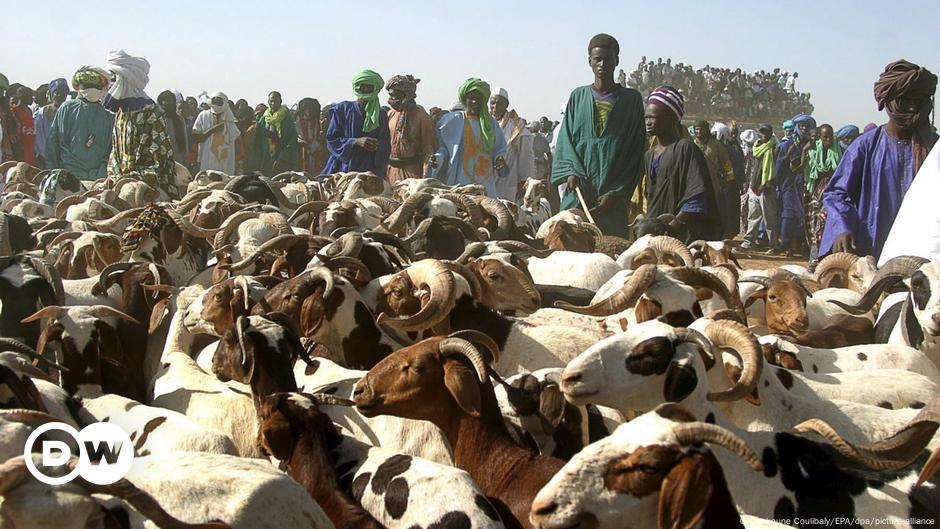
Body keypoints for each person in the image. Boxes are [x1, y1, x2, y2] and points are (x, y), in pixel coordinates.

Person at [820, 60, 938, 259]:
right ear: (890, 101)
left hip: (922, 250)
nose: (912, 108)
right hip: (871, 248)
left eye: (918, 101)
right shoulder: (865, 145)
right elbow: (837, 193)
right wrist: (842, 226)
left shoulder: (934, 147)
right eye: (906, 100)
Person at [550, 34, 645, 237]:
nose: (602, 64)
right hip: (579, 194)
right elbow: (565, 142)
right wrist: (571, 172)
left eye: (608, 59)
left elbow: (635, 152)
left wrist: (616, 193)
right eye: (597, 59)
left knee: (610, 256)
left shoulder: (632, 100)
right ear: (589, 61)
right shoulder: (577, 96)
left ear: (616, 61)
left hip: (613, 200)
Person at [642, 86, 720, 241]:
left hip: (680, 234)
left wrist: (672, 226)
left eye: (653, 117)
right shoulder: (649, 155)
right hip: (653, 232)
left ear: (672, 119)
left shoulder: (685, 148)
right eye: (646, 117)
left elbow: (696, 197)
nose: (648, 122)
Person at [104, 50, 179, 198]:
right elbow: (115, 154)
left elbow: (161, 157)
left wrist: (135, 178)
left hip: (149, 190)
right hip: (121, 186)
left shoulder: (151, 112)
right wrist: (113, 178)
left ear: (123, 80)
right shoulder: (121, 112)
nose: (109, 85)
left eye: (113, 79)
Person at [430, 78, 508, 196]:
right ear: (464, 100)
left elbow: (499, 149)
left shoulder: (491, 123)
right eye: (471, 98)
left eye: (478, 99)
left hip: (485, 182)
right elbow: (444, 149)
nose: (474, 102)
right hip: (459, 180)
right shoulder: (453, 121)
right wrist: (437, 159)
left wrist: (499, 159)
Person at [44, 66, 114, 180]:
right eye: (88, 86)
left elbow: (110, 151)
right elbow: (53, 144)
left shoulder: (109, 116)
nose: (92, 89)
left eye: (96, 86)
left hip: (97, 179)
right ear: (78, 87)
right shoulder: (67, 108)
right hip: (69, 177)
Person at [322, 70, 391, 177]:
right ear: (357, 88)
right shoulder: (342, 110)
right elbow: (332, 140)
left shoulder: (381, 115)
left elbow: (386, 144)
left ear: (375, 89)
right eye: (364, 87)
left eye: (370, 87)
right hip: (344, 169)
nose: (367, 90)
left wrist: (377, 146)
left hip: (371, 171)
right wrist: (355, 142)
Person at [775, 113, 815, 256]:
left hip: (806, 186)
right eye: (801, 126)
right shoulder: (786, 145)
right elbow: (778, 169)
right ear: (797, 127)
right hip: (788, 186)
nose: (804, 129)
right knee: (788, 216)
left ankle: (800, 246)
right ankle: (785, 245)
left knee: (803, 216)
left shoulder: (813, 146)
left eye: (806, 126)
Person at [385, 74, 434, 183]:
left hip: (413, 173)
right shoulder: (390, 114)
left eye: (395, 95)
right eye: (390, 95)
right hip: (391, 172)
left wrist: (425, 175)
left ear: (405, 94)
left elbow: (428, 148)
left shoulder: (420, 115)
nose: (392, 99)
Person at [805, 124, 842, 263]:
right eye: (825, 137)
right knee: (815, 228)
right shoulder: (812, 151)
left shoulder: (839, 150)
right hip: (816, 193)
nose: (828, 140)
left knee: (825, 224)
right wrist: (804, 152)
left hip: (832, 192)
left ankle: (824, 259)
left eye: (830, 136)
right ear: (820, 137)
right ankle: (814, 260)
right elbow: (804, 170)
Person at [489, 87, 535, 201]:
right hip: (486, 178)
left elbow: (526, 158)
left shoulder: (517, 129)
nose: (495, 107)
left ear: (506, 105)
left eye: (499, 103)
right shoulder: (484, 123)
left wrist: (525, 182)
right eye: (492, 103)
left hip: (508, 180)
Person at [744, 124, 780, 252]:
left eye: (765, 132)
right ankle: (748, 242)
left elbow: (777, 168)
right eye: (761, 132)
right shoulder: (757, 147)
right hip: (754, 187)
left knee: (769, 218)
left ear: (770, 133)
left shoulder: (775, 148)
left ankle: (774, 245)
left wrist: (769, 183)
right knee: (753, 217)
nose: (763, 134)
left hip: (767, 188)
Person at [692, 120, 732, 236]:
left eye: (701, 129)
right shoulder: (691, 144)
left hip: (713, 183)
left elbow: (726, 163)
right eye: (697, 129)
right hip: (695, 184)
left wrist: (729, 179)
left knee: (713, 209)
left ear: (707, 130)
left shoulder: (716, 145)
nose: (698, 131)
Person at [249, 91, 299, 176]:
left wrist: (282, 158)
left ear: (280, 101)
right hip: (266, 159)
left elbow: (292, 141)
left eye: (275, 101)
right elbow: (258, 142)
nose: (272, 103)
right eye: (270, 101)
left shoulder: (287, 119)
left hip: (282, 160)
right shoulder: (264, 119)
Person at [192, 92, 240, 175]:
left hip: (225, 162)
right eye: (214, 101)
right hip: (207, 159)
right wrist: (212, 130)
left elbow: (236, 141)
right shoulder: (203, 116)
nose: (216, 104)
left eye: (219, 101)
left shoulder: (229, 119)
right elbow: (195, 137)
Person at [33, 78, 68, 168]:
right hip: (44, 160)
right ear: (51, 94)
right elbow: (39, 138)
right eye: (57, 92)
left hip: (65, 160)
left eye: (63, 92)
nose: (60, 95)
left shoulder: (70, 113)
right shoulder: (41, 114)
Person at [157, 90, 189, 170]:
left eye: (172, 101)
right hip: (162, 160)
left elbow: (184, 141)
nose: (170, 104)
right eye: (167, 102)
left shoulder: (179, 119)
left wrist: (185, 160)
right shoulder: (157, 120)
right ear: (161, 103)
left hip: (178, 158)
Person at [11, 86, 36, 165]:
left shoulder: (29, 111)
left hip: (30, 150)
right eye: (29, 96)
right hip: (20, 151)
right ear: (21, 96)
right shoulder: (14, 111)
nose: (32, 99)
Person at [296, 97, 322, 174]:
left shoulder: (315, 121)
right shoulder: (297, 120)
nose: (309, 111)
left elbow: (317, 136)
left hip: (313, 149)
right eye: (307, 108)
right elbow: (293, 134)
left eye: (310, 108)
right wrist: (298, 140)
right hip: (299, 149)